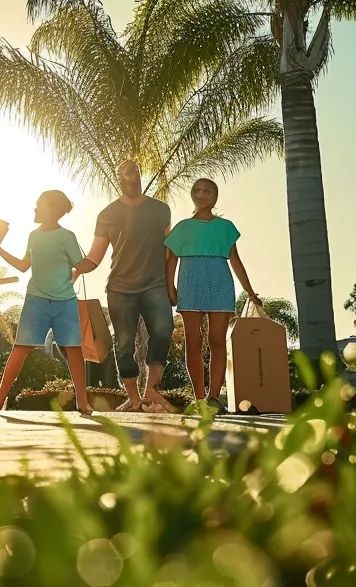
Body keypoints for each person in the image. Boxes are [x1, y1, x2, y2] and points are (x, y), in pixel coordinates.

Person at [80, 160, 175, 413]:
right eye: (124, 174)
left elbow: (169, 251)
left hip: (155, 284)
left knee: (164, 331)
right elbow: (95, 256)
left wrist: (171, 284)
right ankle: (133, 397)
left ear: (139, 175)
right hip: (120, 288)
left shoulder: (160, 210)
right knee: (123, 344)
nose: (129, 177)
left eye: (133, 172)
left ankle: (151, 390)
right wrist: (77, 268)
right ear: (119, 179)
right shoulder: (107, 214)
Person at [0, 191, 94, 416]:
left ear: (50, 208)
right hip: (36, 300)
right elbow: (22, 265)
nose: (35, 209)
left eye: (38, 205)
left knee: (74, 350)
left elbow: (81, 264)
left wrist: (93, 262)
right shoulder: (33, 236)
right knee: (20, 348)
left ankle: (83, 403)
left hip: (65, 302)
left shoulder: (67, 236)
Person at [165, 178, 260, 412]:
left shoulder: (226, 227)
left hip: (220, 282)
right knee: (193, 341)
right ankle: (199, 399)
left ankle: (214, 397)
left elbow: (236, 262)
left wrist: (250, 291)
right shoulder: (183, 227)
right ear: (192, 195)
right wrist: (170, 288)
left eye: (207, 191)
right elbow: (170, 261)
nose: (201, 194)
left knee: (217, 341)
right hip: (190, 283)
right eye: (197, 190)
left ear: (214, 196)